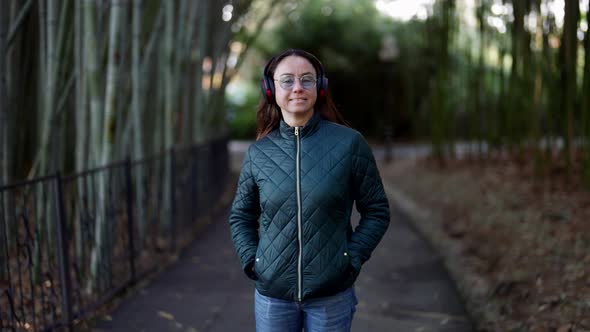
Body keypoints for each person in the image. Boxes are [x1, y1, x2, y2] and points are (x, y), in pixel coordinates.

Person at [228, 49, 390, 332]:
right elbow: (241, 216)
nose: (298, 88)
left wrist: (351, 259)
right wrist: (254, 261)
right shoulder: (259, 153)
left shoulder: (349, 144)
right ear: (271, 89)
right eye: (287, 80)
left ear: (320, 86)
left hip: (331, 295)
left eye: (307, 79)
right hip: (273, 297)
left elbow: (377, 210)